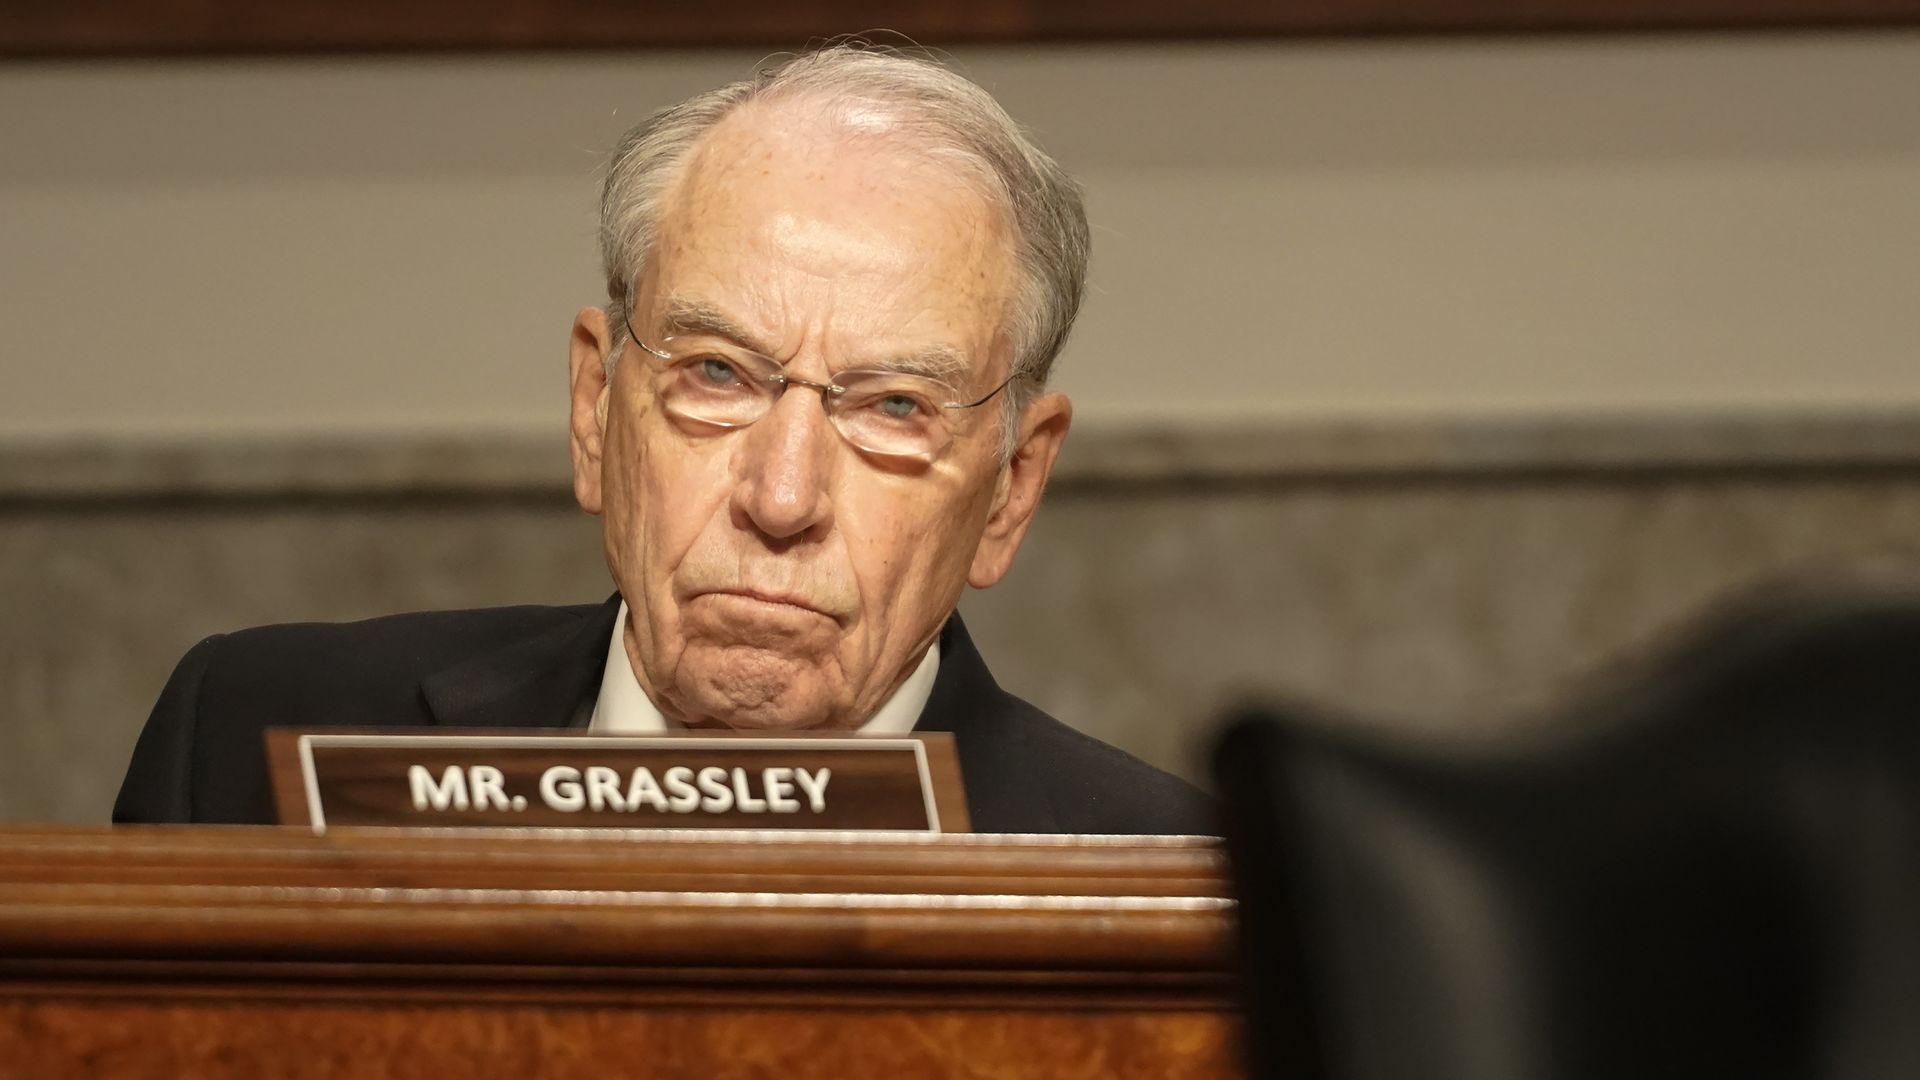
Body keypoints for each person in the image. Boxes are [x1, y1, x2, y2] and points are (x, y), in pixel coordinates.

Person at [113, 44, 1210, 834]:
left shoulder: (1194, 889)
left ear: (1012, 490)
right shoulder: (255, 739)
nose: (782, 500)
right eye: (718, 375)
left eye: (892, 408)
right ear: (596, 407)